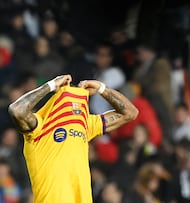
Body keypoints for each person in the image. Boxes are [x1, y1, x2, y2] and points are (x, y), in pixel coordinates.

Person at [8, 74, 139, 203]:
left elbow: (130, 113)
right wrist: (51, 85)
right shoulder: (40, 125)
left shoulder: (86, 125)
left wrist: (101, 88)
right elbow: (17, 110)